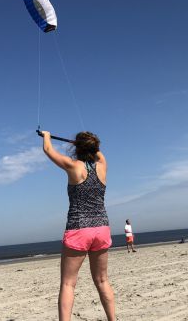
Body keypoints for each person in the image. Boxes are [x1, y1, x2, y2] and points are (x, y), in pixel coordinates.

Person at [40, 131, 115, 321]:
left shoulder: (73, 166)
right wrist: (86, 145)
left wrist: (47, 136)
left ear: (77, 148)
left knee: (68, 284)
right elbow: (99, 154)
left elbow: (48, 149)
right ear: (94, 147)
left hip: (79, 229)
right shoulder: (102, 167)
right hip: (101, 228)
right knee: (102, 280)